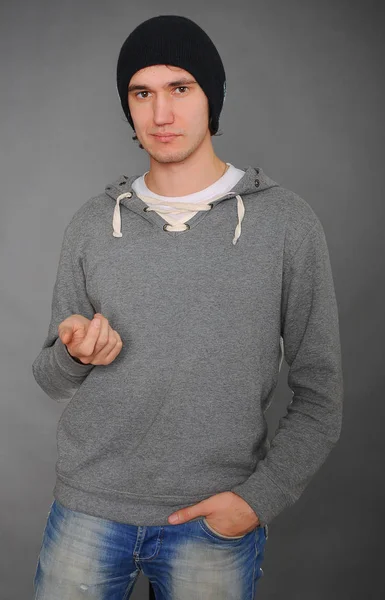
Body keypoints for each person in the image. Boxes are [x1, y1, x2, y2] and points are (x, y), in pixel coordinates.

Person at [31, 14, 344, 600]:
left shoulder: (286, 224)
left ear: (212, 98)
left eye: (181, 88)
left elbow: (321, 395)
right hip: (89, 511)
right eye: (142, 93)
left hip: (212, 522)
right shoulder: (94, 224)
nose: (161, 114)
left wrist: (256, 501)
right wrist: (73, 352)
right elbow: (50, 378)